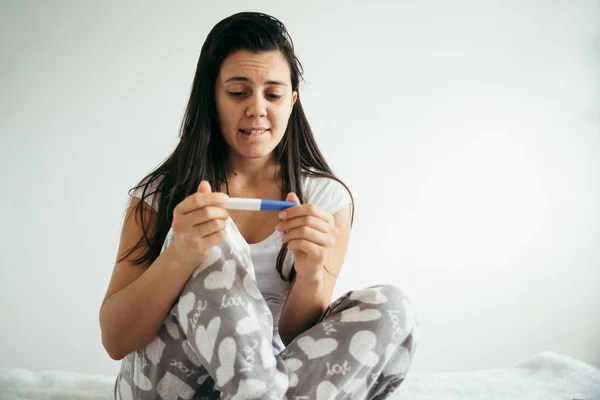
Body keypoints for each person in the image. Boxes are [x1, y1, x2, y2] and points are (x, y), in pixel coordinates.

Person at [99, 11, 417, 400]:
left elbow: (300, 342)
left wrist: (312, 272)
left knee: (391, 306)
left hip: (266, 383)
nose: (257, 109)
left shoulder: (326, 200)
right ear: (211, 98)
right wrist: (180, 256)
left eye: (273, 94)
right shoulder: (157, 195)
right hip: (169, 384)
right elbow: (116, 341)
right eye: (237, 92)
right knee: (218, 240)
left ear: (292, 102)